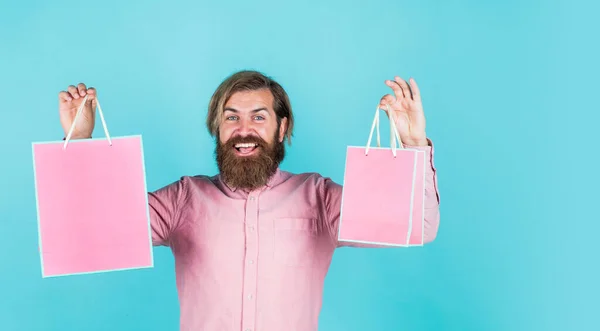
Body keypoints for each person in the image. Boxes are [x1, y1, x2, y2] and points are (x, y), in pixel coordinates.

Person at [57, 70, 440, 331]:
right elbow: (97, 232)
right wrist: (81, 144)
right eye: (231, 118)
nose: (244, 131)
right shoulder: (182, 199)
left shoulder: (319, 198)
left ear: (281, 127)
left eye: (258, 118)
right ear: (217, 128)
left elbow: (417, 226)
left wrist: (412, 145)